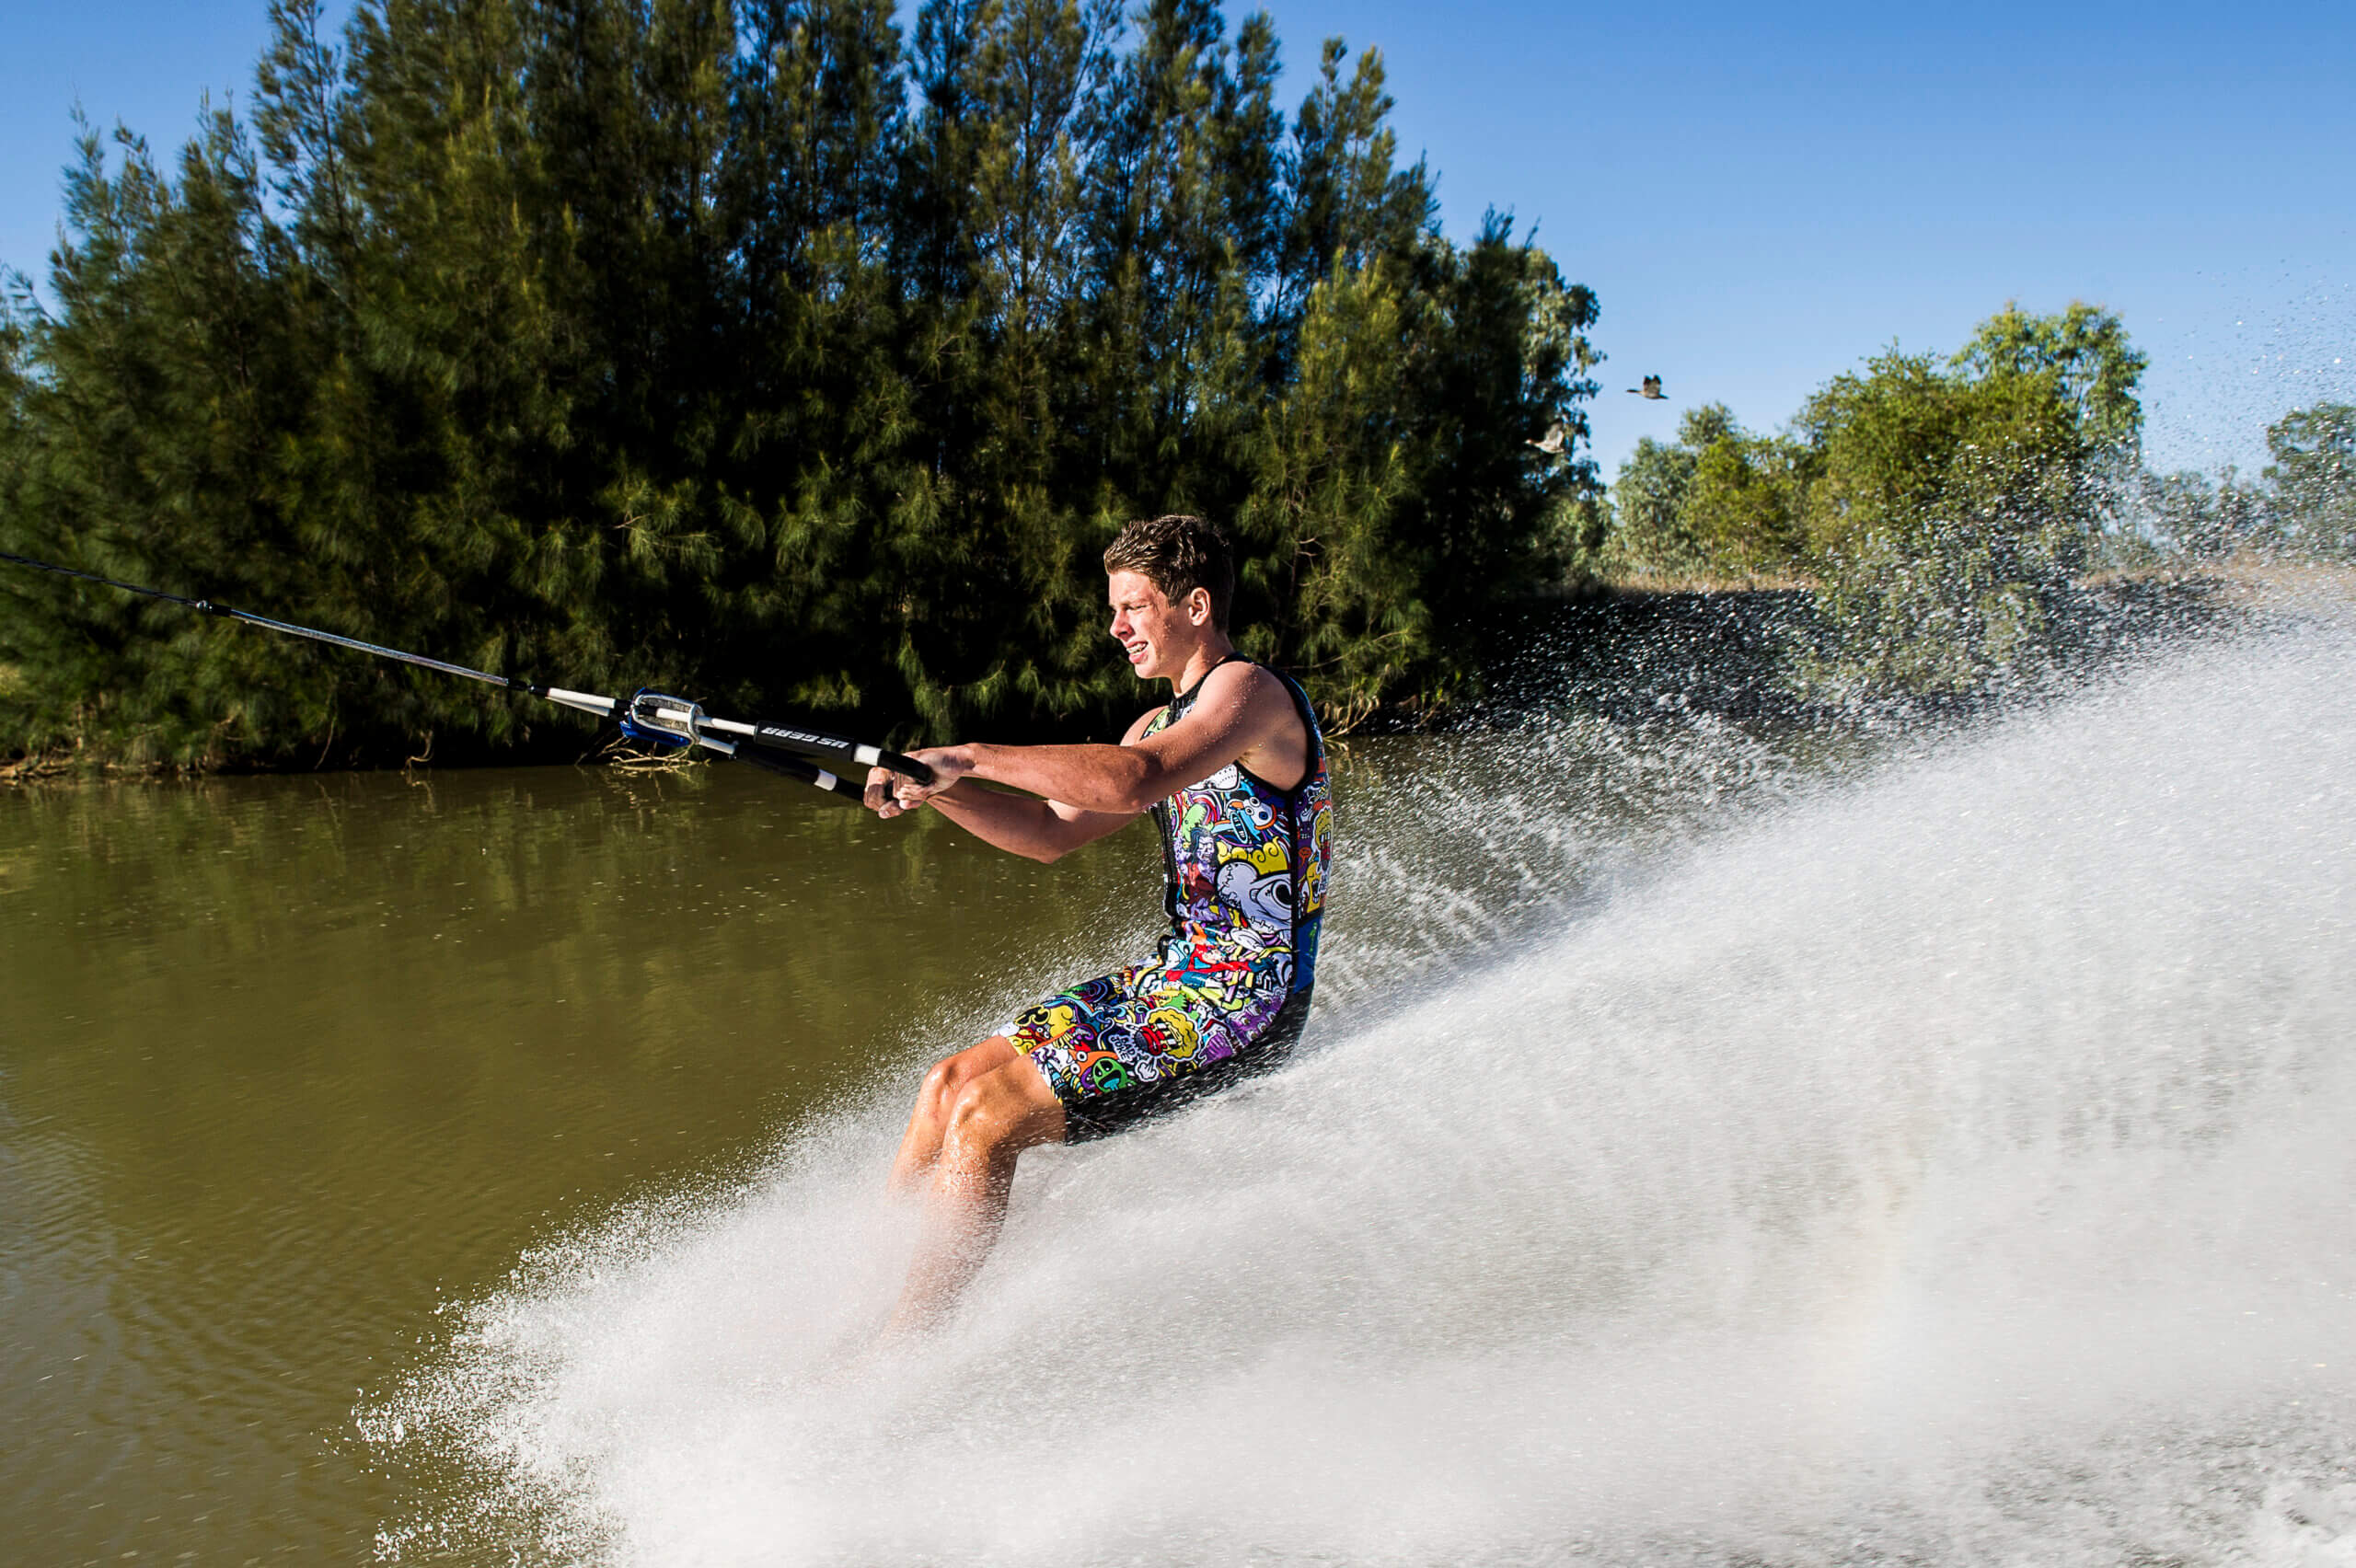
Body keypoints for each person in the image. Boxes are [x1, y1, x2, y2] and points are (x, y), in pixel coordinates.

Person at [864, 513, 1332, 1332]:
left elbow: (1136, 782)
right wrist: (937, 790)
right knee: (947, 1086)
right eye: (1113, 609)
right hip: (1177, 978)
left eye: (1134, 607)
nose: (1115, 628)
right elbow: (1049, 834)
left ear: (1194, 604)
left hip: (1249, 999)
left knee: (988, 1119)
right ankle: (867, 1287)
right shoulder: (1154, 723)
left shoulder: (1250, 695)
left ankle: (901, 1348)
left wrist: (969, 756)